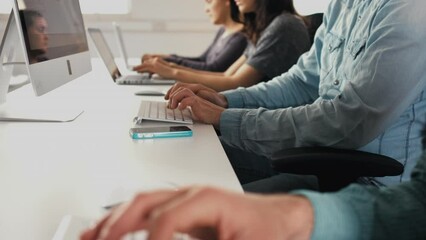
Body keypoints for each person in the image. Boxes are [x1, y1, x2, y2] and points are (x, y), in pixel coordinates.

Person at [164, 0, 426, 191]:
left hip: (375, 184)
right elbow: (302, 81)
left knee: (209, 214)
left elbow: (349, 121)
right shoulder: (342, 6)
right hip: (322, 157)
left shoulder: (409, 11)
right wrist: (227, 101)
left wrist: (227, 119)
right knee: (186, 153)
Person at [80, 131, 426, 240]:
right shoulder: (343, 9)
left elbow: (348, 118)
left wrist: (228, 112)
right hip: (349, 201)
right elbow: (419, 203)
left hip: (343, 165)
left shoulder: (405, 15)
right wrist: (295, 218)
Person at [133, 0, 310, 92]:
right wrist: (169, 67)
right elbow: (226, 74)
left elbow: (235, 83)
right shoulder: (265, 27)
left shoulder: (284, 26)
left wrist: (172, 72)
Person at [142, 0, 247, 72]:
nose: (206, 9)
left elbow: (213, 69)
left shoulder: (242, 37)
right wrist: (167, 58)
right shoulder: (223, 30)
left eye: (209, 2)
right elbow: (202, 59)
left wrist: (169, 64)